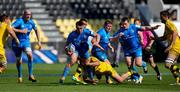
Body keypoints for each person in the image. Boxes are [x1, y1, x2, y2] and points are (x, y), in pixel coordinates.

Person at [112, 17, 160, 84]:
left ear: (128, 23)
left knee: (138, 64)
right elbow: (113, 39)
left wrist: (153, 28)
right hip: (127, 50)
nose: (124, 26)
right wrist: (118, 36)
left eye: (125, 24)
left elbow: (144, 28)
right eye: (123, 24)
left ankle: (144, 64)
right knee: (129, 65)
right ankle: (138, 77)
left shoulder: (133, 26)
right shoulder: (120, 30)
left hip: (136, 48)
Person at [11, 9, 42, 83]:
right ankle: (19, 76)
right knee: (19, 61)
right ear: (24, 14)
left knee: (30, 55)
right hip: (17, 43)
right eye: (27, 14)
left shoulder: (31, 22)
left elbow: (36, 30)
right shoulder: (19, 21)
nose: (28, 16)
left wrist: (39, 41)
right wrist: (21, 31)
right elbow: (11, 28)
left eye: (29, 14)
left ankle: (30, 75)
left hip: (26, 42)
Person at [159, 10, 180, 85]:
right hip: (176, 46)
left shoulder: (168, 23)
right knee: (171, 66)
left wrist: (171, 45)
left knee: (167, 64)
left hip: (175, 46)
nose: (160, 18)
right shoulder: (166, 25)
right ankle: (178, 81)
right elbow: (164, 37)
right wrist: (154, 38)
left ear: (165, 17)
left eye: (161, 17)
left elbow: (175, 32)